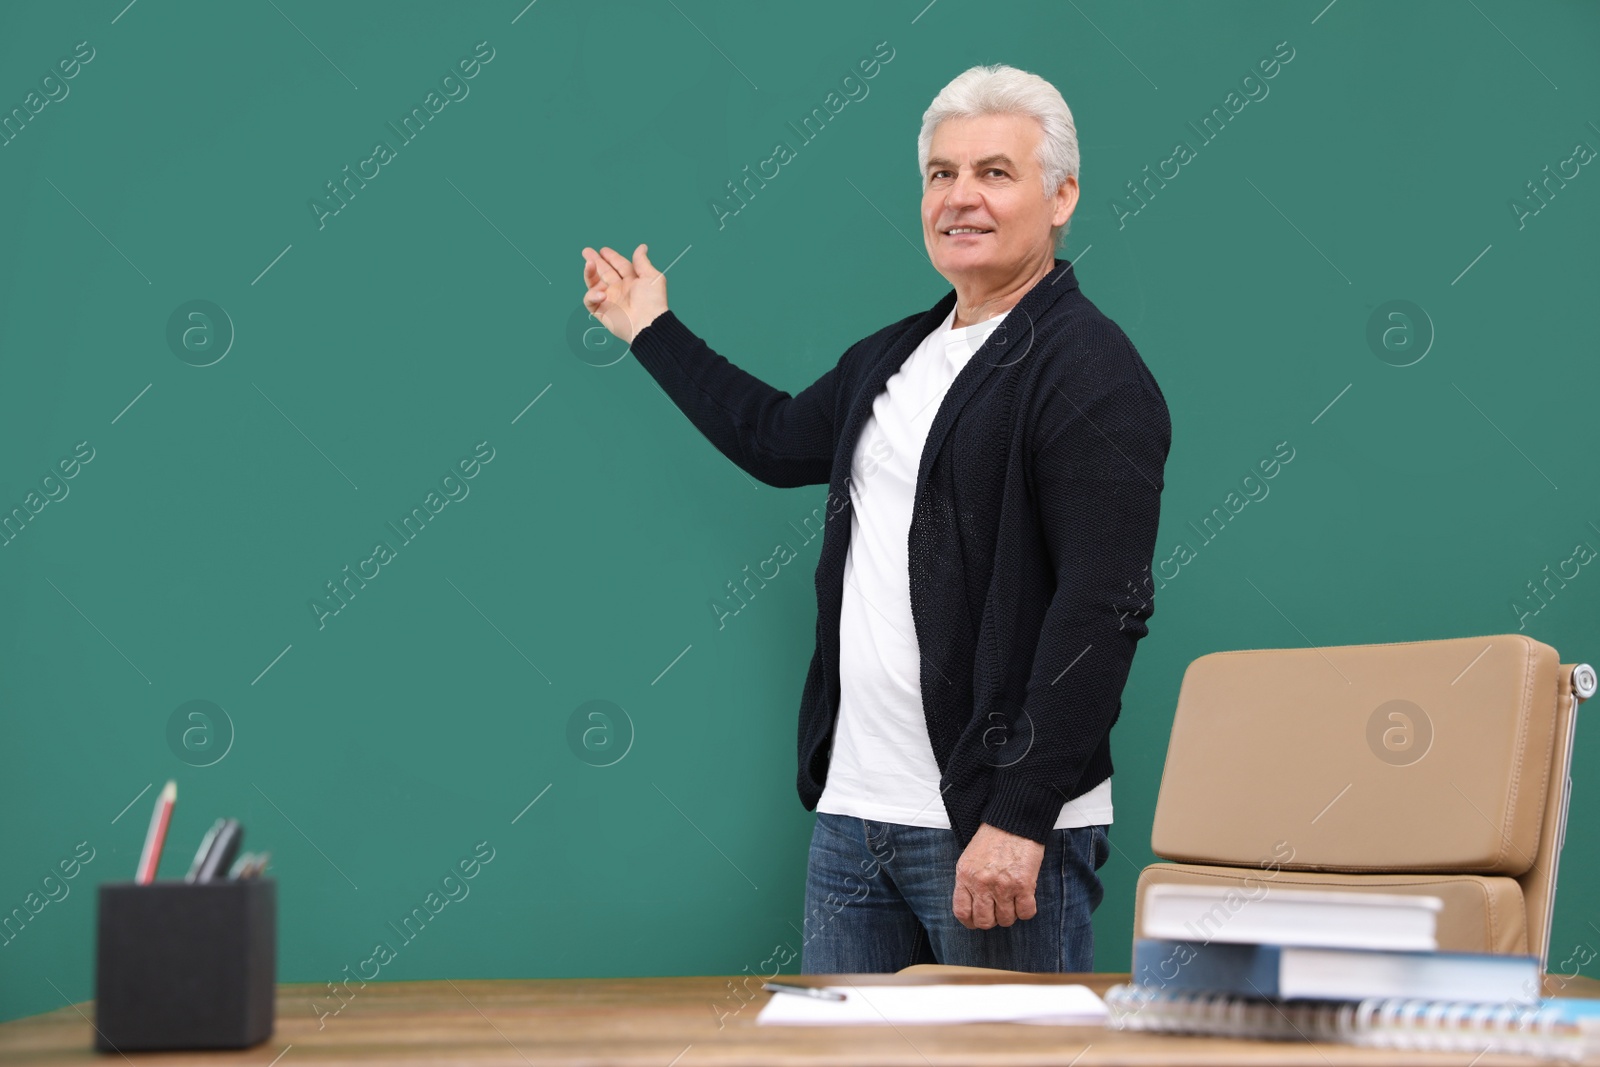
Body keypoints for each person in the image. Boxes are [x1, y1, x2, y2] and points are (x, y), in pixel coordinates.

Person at [580, 63, 1170, 974]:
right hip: (856, 822)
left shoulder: (1090, 370)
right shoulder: (897, 354)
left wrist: (1019, 815)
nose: (960, 198)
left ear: (1063, 197)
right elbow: (774, 439)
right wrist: (651, 327)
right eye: (941, 174)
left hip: (993, 832)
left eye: (994, 173)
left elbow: (1103, 608)